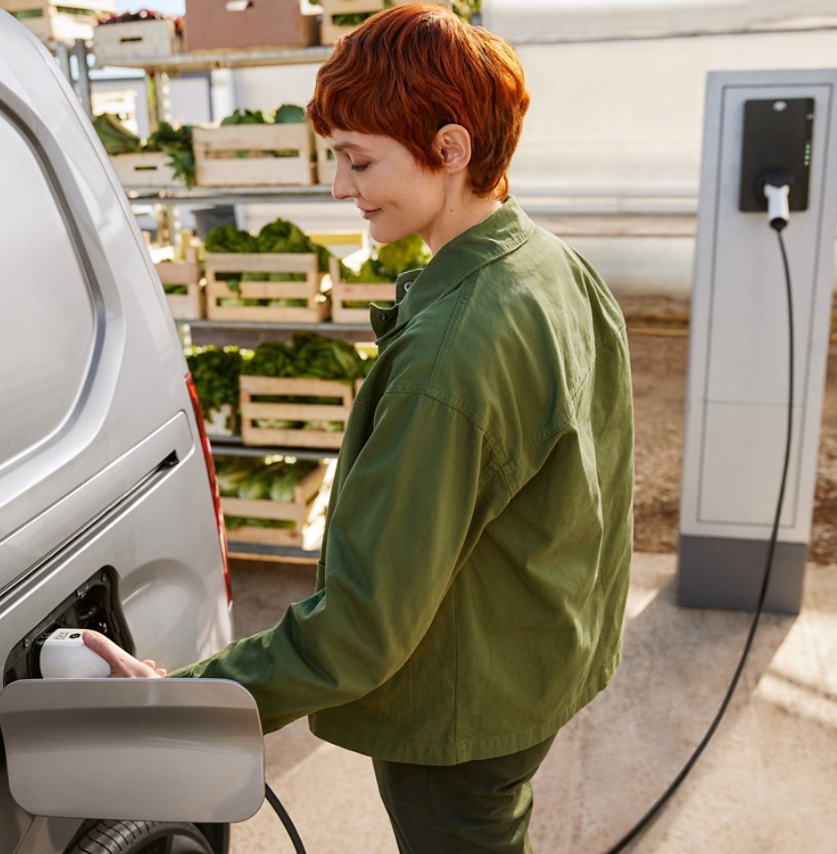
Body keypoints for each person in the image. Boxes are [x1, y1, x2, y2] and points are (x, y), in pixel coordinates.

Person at [85, 5, 634, 851]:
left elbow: (361, 631)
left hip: (464, 710)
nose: (340, 188)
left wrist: (179, 697)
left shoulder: (452, 356)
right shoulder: (553, 264)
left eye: (358, 159)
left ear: (450, 150)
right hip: (538, 661)